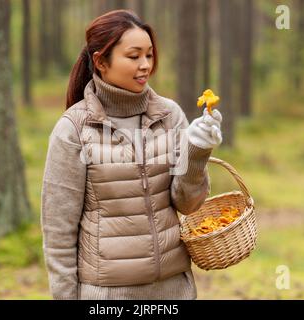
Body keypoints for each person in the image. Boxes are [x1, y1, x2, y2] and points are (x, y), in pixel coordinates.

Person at [41, 9, 223, 300]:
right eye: (133, 56)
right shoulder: (73, 129)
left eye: (149, 55)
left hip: (172, 290)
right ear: (101, 62)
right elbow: (58, 231)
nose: (145, 65)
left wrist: (197, 152)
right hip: (107, 295)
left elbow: (188, 205)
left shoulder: (170, 115)